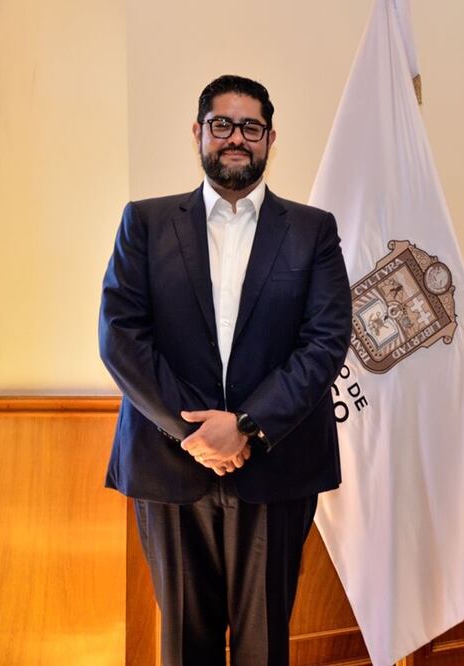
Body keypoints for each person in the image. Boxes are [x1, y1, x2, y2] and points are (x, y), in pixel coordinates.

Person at [99, 74, 352, 665]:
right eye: (222, 124)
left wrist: (247, 425)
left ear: (269, 138)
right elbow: (120, 338)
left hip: (278, 463)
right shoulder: (145, 222)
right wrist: (193, 432)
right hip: (167, 466)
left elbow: (325, 341)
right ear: (199, 133)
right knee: (184, 643)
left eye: (251, 127)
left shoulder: (314, 231)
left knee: (266, 644)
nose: (236, 137)